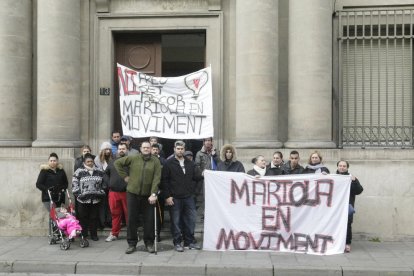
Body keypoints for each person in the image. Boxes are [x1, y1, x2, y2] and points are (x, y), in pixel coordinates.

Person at [115, 141, 161, 254]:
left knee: (149, 220)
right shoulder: (133, 158)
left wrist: (154, 193)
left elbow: (157, 178)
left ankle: (149, 243)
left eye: (148, 147)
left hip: (148, 195)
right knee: (131, 219)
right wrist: (125, 177)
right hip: (132, 193)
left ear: (151, 149)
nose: (146, 149)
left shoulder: (155, 161)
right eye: (144, 147)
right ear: (140, 148)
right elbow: (117, 163)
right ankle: (131, 243)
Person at [162, 140, 202, 252]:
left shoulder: (190, 163)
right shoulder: (168, 163)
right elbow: (164, 181)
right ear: (174, 149)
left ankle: (189, 242)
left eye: (182, 149)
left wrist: (204, 174)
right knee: (176, 221)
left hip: (188, 197)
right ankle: (177, 242)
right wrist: (167, 196)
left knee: (191, 220)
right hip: (175, 197)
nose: (180, 150)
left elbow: (197, 177)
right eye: (178, 148)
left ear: (184, 150)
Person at [72, 153, 106, 241]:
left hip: (95, 199)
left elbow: (104, 183)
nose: (90, 163)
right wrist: (79, 194)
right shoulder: (79, 171)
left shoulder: (99, 171)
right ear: (84, 162)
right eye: (88, 161)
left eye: (91, 161)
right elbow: (74, 184)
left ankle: (94, 235)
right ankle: (84, 234)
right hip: (83, 200)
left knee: (94, 218)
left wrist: (101, 192)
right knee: (83, 217)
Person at [336, 160, 363, 253]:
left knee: (347, 225)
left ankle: (347, 243)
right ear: (337, 167)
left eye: (344, 166)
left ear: (347, 167)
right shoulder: (333, 177)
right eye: (340, 166)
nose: (342, 167)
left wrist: (354, 181)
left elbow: (359, 190)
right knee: (335, 225)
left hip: (347, 206)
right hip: (336, 207)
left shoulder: (351, 178)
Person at [104, 143, 129, 242]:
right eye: (120, 149)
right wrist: (109, 183)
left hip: (127, 193)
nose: (121, 150)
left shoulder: (130, 162)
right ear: (117, 150)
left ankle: (132, 234)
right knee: (115, 214)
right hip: (113, 192)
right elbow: (105, 174)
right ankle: (114, 233)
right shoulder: (112, 162)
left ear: (127, 150)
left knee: (129, 214)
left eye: (123, 149)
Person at [94, 141, 113, 229]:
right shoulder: (97, 160)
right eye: (106, 149)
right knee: (102, 205)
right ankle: (102, 222)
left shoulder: (112, 158)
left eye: (109, 149)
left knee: (110, 204)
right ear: (103, 150)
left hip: (110, 184)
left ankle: (109, 221)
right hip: (101, 185)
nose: (108, 151)